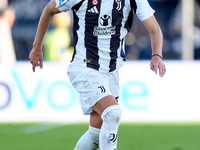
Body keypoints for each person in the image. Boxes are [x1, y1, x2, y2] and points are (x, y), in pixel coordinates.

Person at [29, 0, 166, 149]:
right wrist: (37, 48)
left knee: (95, 134)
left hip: (111, 72)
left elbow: (154, 29)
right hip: (84, 67)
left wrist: (157, 55)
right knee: (113, 113)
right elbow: (49, 9)